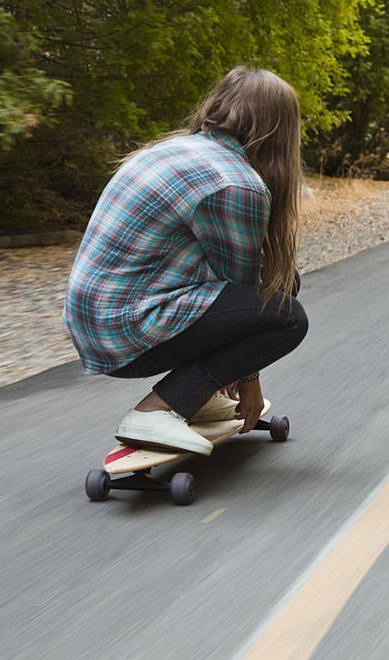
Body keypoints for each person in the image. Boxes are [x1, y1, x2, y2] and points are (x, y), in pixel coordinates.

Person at [63, 66, 309, 454]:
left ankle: (198, 394)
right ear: (280, 132)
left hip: (96, 318)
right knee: (288, 316)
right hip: (124, 328)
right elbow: (245, 290)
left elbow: (242, 287)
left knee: (283, 280)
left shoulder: (176, 148)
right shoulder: (237, 183)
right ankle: (158, 409)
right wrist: (250, 382)